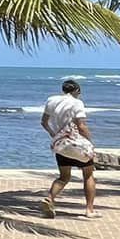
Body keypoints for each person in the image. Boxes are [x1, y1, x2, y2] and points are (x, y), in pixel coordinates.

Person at [39, 78, 97, 218]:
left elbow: (44, 122)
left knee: (64, 176)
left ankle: (50, 199)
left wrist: (54, 134)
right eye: (79, 92)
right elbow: (81, 126)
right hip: (77, 144)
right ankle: (89, 209)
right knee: (88, 175)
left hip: (61, 144)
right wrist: (90, 142)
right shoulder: (77, 103)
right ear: (76, 90)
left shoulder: (51, 100)